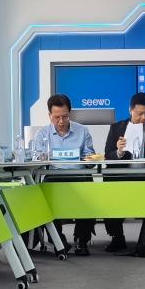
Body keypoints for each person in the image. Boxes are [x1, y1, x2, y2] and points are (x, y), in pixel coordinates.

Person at [30, 94, 97, 256]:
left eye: (65, 116)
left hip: (79, 175)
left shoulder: (82, 131)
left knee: (90, 191)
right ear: (49, 115)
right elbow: (36, 159)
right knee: (43, 196)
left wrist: (90, 159)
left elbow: (91, 158)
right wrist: (41, 158)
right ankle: (58, 240)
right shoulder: (42, 134)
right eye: (56, 117)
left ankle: (81, 239)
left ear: (70, 114)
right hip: (54, 175)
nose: (61, 121)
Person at [103, 92, 145, 254]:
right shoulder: (116, 128)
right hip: (122, 177)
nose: (144, 117)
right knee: (107, 187)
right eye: (140, 113)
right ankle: (117, 236)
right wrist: (119, 152)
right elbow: (107, 156)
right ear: (130, 110)